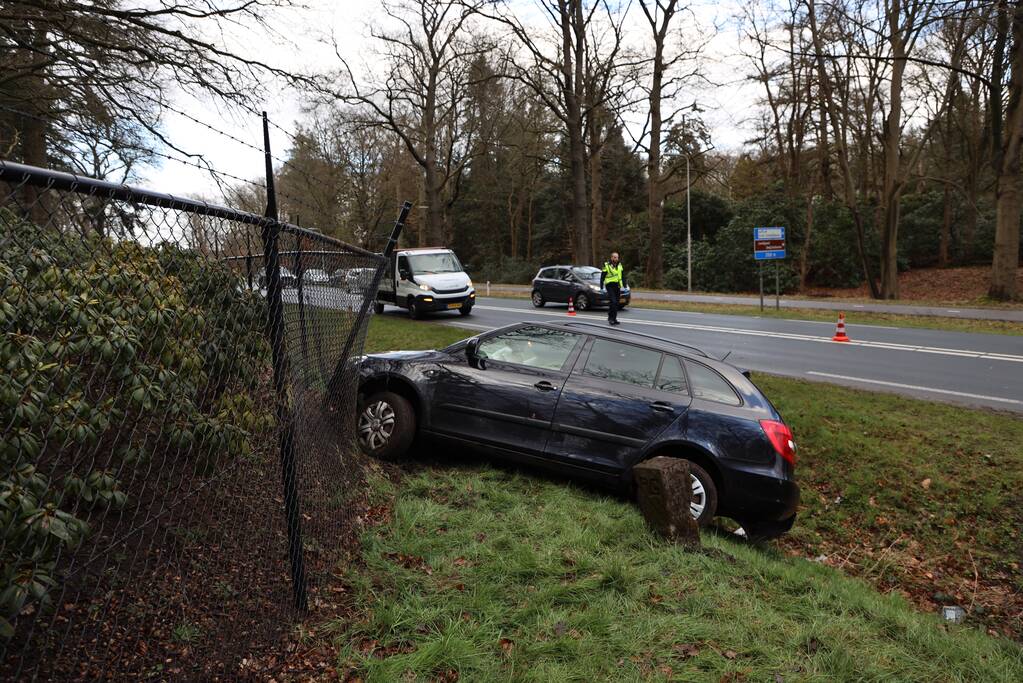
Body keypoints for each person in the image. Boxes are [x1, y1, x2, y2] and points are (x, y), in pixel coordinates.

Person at [600, 252, 626, 325]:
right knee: (613, 302)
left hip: (617, 286)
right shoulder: (606, 265)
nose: (616, 259)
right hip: (609, 285)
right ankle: (610, 318)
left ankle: (614, 319)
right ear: (611, 258)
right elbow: (602, 277)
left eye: (617, 257)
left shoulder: (620, 265)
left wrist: (625, 286)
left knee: (616, 303)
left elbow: (623, 276)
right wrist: (601, 287)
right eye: (614, 257)